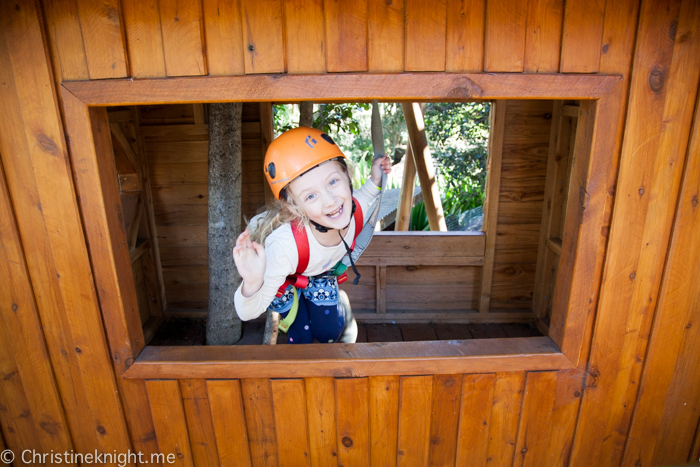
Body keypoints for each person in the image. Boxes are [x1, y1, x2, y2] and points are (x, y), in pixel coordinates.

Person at [233, 126, 392, 344]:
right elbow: (246, 313)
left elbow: (366, 194)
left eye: (333, 182)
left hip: (321, 273)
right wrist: (252, 282)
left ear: (347, 176)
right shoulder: (284, 246)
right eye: (310, 196)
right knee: (301, 337)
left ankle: (340, 305)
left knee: (327, 334)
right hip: (286, 279)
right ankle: (299, 304)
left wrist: (376, 178)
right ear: (293, 207)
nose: (330, 201)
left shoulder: (355, 210)